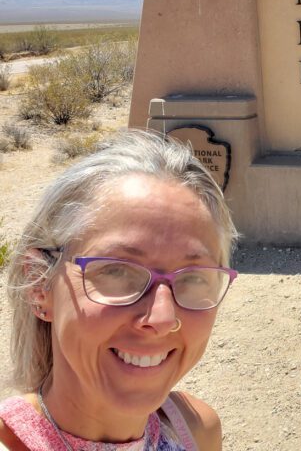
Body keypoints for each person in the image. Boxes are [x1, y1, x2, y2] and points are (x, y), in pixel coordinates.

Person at [0, 130, 238, 450]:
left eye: (193, 277)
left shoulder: (195, 429)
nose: (163, 318)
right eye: (117, 271)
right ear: (40, 285)